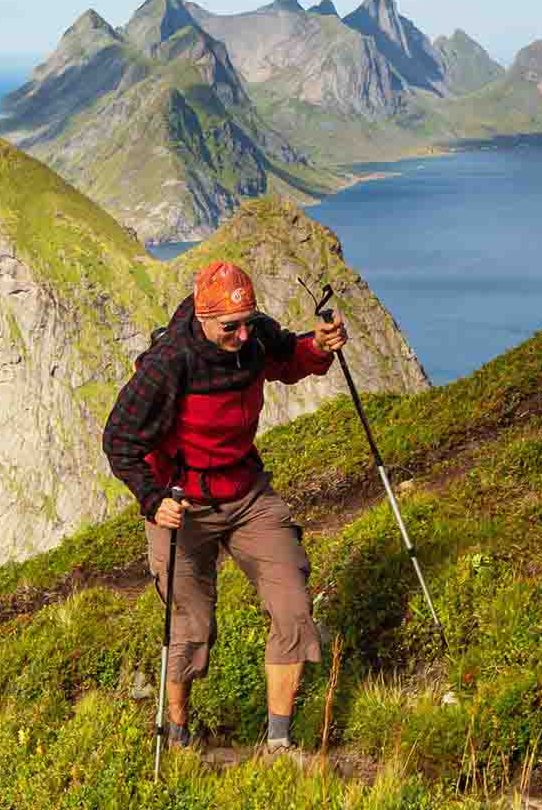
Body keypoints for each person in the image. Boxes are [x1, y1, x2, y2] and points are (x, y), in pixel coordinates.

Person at [102, 261, 347, 752]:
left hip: (246, 492)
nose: (240, 334)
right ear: (202, 316)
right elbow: (119, 438)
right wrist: (152, 500)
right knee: (189, 621)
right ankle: (178, 733)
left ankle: (278, 744)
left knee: (292, 602)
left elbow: (288, 359)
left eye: (246, 322)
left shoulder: (254, 338)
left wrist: (317, 348)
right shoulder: (170, 363)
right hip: (182, 501)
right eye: (228, 327)